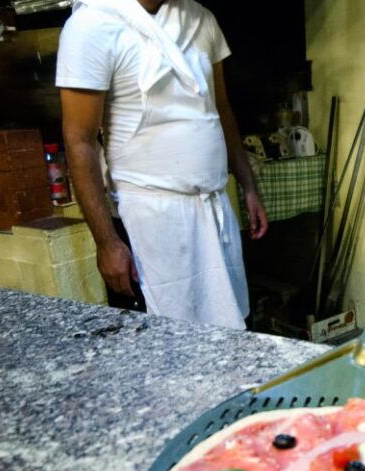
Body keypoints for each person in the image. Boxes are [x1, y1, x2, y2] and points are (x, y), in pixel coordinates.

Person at [56, 0, 268, 329]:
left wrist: (248, 186)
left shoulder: (201, 19)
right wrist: (107, 243)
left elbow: (221, 109)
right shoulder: (92, 24)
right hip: (147, 221)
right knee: (162, 341)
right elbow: (78, 140)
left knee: (229, 335)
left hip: (213, 210)